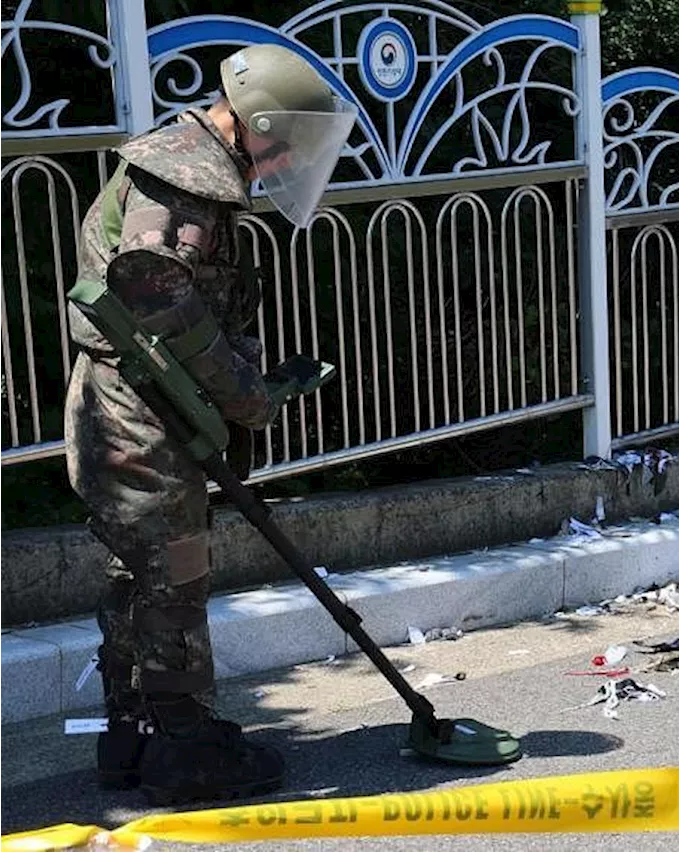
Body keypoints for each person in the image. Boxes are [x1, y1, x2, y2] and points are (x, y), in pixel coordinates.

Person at [64, 43, 356, 805]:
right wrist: (244, 397)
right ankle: (184, 747)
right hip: (139, 413)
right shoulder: (184, 178)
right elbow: (151, 289)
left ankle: (130, 737)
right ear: (254, 121)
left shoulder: (190, 165)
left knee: (141, 575)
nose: (286, 157)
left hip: (135, 404)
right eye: (283, 139)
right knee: (173, 576)